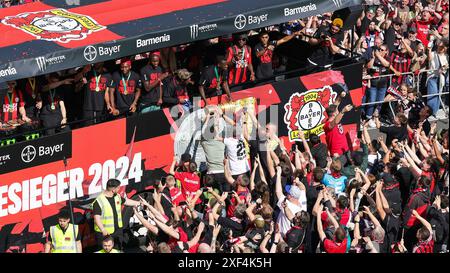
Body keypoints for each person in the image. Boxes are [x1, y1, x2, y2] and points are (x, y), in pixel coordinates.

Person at [92, 178, 142, 250]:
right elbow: (97, 218)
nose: (119, 189)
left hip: (117, 231)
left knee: (117, 249)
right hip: (105, 233)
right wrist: (103, 230)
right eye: (118, 187)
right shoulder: (99, 201)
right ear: (113, 189)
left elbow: (126, 202)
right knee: (105, 251)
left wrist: (139, 203)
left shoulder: (117, 196)